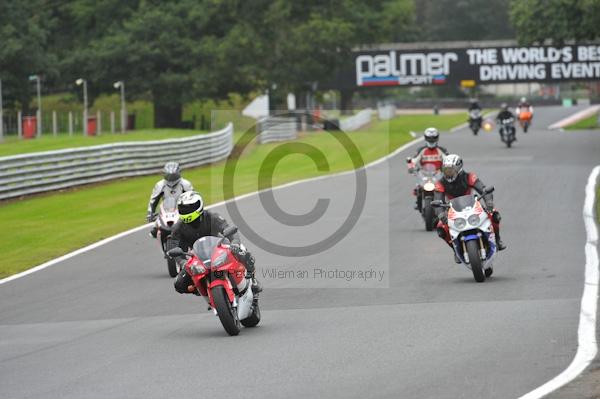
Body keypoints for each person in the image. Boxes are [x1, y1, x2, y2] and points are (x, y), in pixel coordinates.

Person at [170, 191, 262, 297]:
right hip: (197, 257)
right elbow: (173, 247)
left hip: (220, 249)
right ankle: (202, 289)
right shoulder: (178, 227)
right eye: (183, 208)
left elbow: (228, 229)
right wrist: (182, 262)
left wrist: (235, 243)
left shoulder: (212, 217)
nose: (186, 211)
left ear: (198, 205)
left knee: (243, 251)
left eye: (189, 207)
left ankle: (252, 279)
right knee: (179, 284)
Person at [434, 154, 506, 263]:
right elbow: (438, 199)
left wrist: (489, 201)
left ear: (458, 169)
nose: (448, 173)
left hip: (472, 205)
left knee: (494, 214)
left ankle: (498, 239)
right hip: (452, 209)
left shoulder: (469, 176)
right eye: (446, 170)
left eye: (450, 170)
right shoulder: (440, 183)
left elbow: (483, 189)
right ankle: (455, 249)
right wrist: (441, 214)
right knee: (441, 227)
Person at [147, 162, 194, 238]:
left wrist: (192, 209)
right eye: (169, 175)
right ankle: (157, 230)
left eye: (173, 176)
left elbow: (193, 198)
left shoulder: (185, 184)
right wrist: (150, 213)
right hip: (166, 209)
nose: (171, 178)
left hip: (182, 209)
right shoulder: (160, 185)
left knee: (192, 226)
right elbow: (153, 200)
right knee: (155, 228)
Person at [407, 127, 448, 210]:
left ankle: (445, 203)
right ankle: (418, 202)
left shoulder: (442, 150)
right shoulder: (421, 150)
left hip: (438, 173)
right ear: (426, 138)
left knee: (446, 187)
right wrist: (411, 168)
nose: (431, 140)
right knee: (418, 187)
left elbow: (448, 160)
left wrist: (447, 169)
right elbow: (413, 161)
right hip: (424, 174)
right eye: (429, 138)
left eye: (433, 138)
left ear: (437, 138)